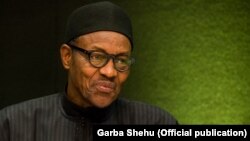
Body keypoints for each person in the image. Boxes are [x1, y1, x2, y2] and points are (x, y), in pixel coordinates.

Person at [0, 1, 178, 141]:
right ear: (67, 57)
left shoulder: (157, 124)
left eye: (121, 60)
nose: (110, 72)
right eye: (97, 57)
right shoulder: (14, 125)